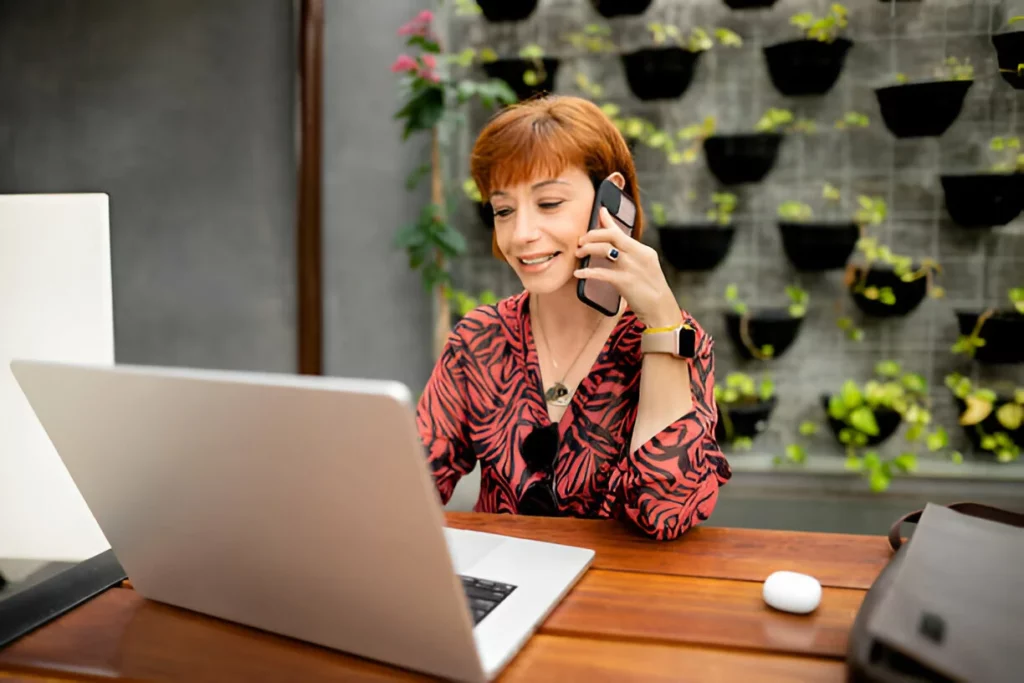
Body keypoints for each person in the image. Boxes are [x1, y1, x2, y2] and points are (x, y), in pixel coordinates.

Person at [415, 95, 730, 541]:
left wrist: (661, 321)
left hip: (620, 601)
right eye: (503, 210)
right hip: (506, 593)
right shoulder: (479, 340)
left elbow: (665, 512)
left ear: (611, 197)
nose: (521, 234)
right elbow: (410, 490)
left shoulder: (675, 339)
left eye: (548, 204)